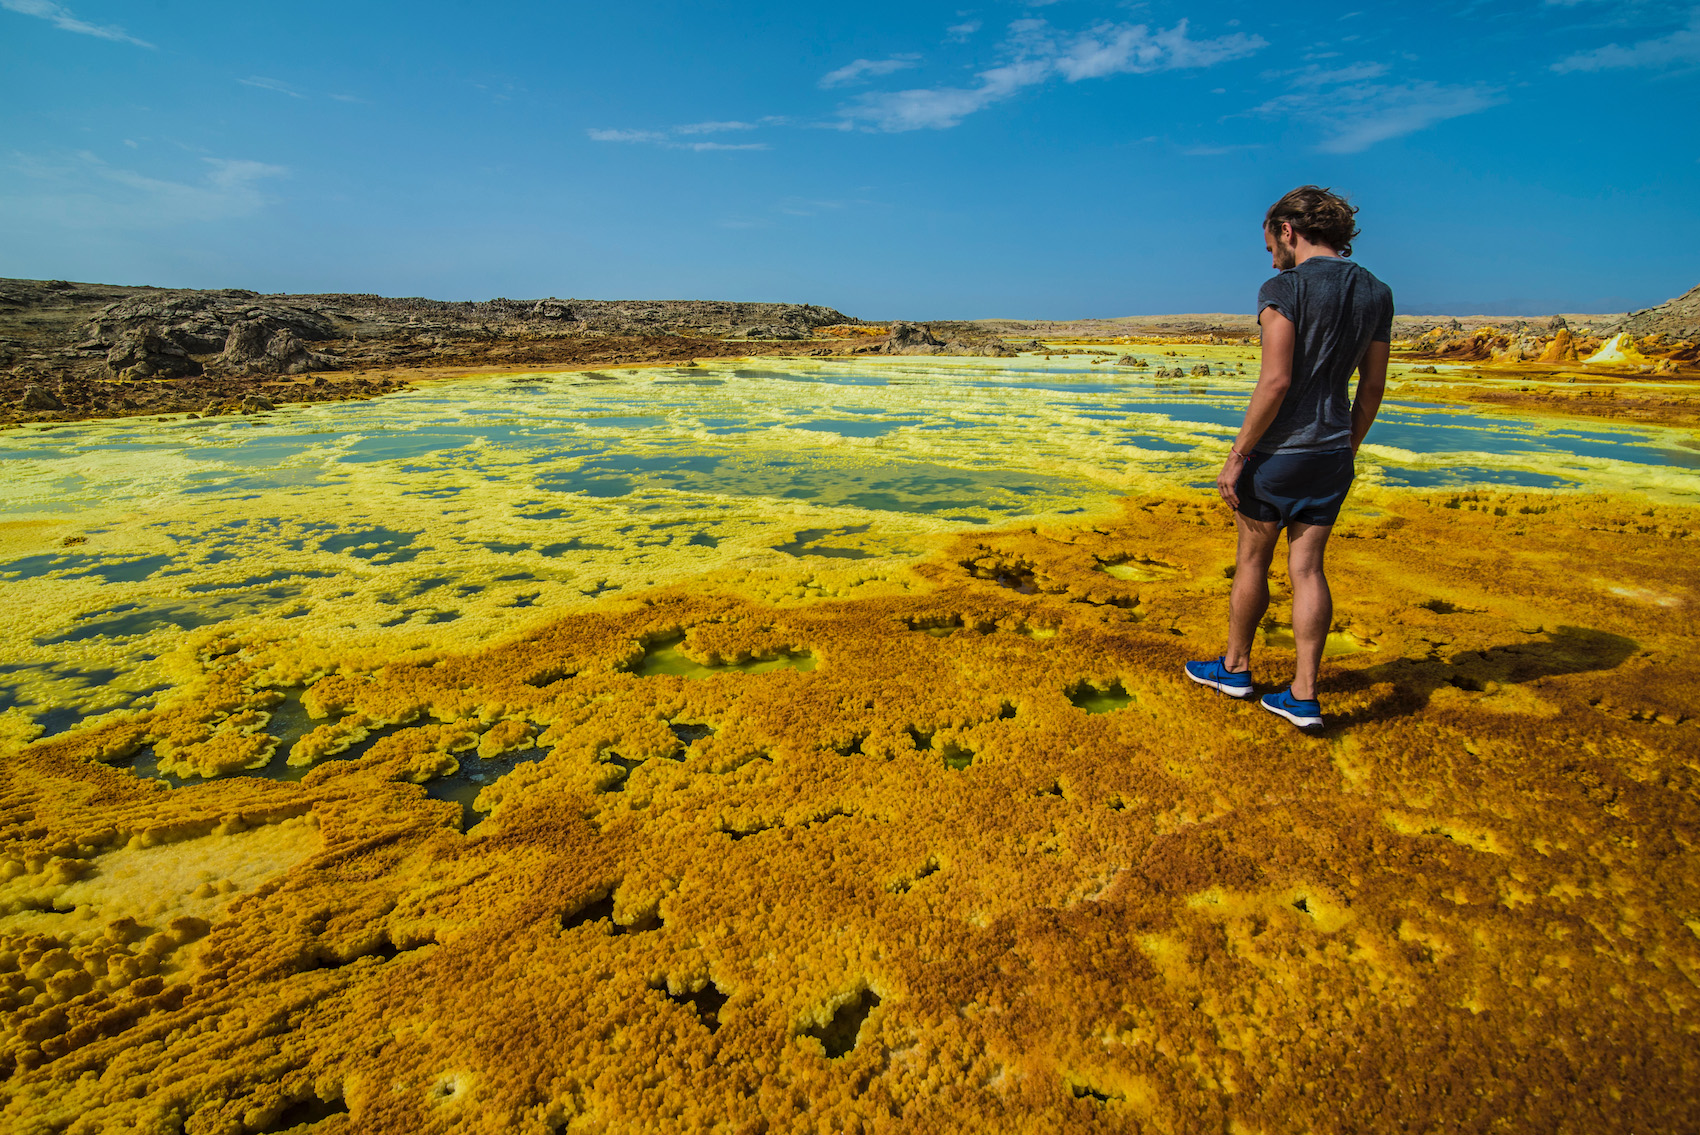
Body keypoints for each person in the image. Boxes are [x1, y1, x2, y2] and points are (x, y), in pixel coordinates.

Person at [1184, 185, 1393, 732]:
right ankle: (1303, 694)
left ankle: (1235, 668)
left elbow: (1275, 381)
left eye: (1270, 239)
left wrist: (1237, 457)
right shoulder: (1376, 291)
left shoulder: (1285, 287)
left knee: (1253, 561)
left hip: (1277, 454)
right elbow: (1372, 387)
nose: (1269, 252)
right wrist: (1346, 445)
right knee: (1308, 569)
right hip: (1330, 454)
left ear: (1287, 230)